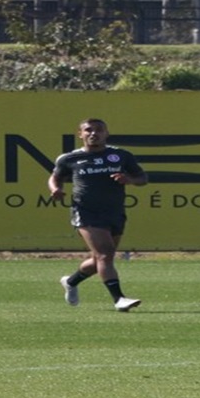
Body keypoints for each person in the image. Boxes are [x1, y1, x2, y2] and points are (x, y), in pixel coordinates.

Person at [49, 118, 149, 312]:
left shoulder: (120, 155)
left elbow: (142, 178)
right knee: (105, 254)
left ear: (106, 134)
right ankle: (119, 299)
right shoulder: (69, 158)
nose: (93, 133)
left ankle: (71, 281)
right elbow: (56, 177)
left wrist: (129, 179)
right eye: (88, 130)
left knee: (100, 260)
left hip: (114, 211)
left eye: (99, 130)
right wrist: (55, 189)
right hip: (86, 211)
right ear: (80, 134)